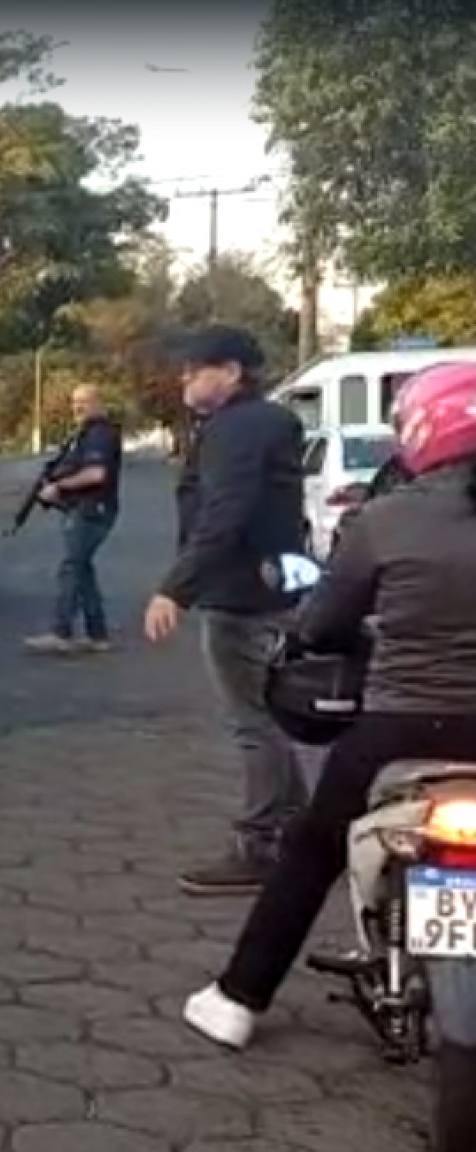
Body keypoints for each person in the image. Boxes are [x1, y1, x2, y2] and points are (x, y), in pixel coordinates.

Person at [182, 360, 476, 1149]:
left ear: (421, 432)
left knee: (311, 853)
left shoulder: (385, 521)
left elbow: (323, 623)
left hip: (398, 727)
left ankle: (239, 999)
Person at [143, 326, 309, 895]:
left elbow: (225, 513)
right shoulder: (267, 422)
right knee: (265, 716)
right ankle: (303, 833)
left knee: (253, 722)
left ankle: (260, 844)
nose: (184, 380)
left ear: (232, 372)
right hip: (270, 588)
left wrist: (175, 588)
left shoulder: (236, 429)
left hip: (240, 596)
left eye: (196, 370)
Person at [24, 384, 124, 654]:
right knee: (82, 569)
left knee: (71, 568)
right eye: (75, 402)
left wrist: (59, 487)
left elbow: (96, 474)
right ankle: (98, 635)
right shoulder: (85, 434)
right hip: (83, 508)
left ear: (99, 403)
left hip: (92, 510)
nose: (77, 407)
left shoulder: (100, 434)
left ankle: (61, 632)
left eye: (84, 401)